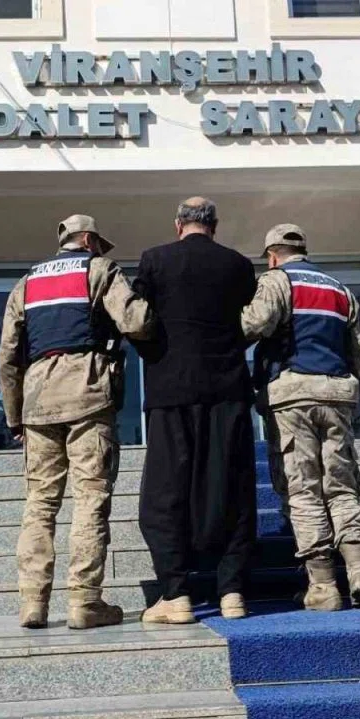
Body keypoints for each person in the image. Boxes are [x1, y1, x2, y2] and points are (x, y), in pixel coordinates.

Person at [0, 214, 153, 630]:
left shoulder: (27, 283)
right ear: (86, 239)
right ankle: (85, 602)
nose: (100, 250)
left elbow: (8, 355)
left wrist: (15, 416)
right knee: (90, 499)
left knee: (40, 505)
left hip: (37, 402)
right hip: (88, 394)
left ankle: (33, 603)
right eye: (98, 243)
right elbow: (136, 321)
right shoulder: (100, 270)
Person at [132, 197, 258, 624]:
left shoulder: (154, 260)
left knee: (164, 494)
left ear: (177, 224)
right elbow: (250, 321)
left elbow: (138, 320)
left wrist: (155, 357)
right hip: (228, 389)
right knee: (233, 489)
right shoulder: (238, 265)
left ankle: (176, 593)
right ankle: (232, 591)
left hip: (171, 389)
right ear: (214, 226)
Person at [242, 223, 360, 611]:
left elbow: (255, 324)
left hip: (292, 395)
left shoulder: (276, 281)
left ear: (272, 255)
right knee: (341, 487)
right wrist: (348, 388)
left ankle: (323, 586)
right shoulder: (338, 289)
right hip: (337, 395)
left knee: (303, 490)